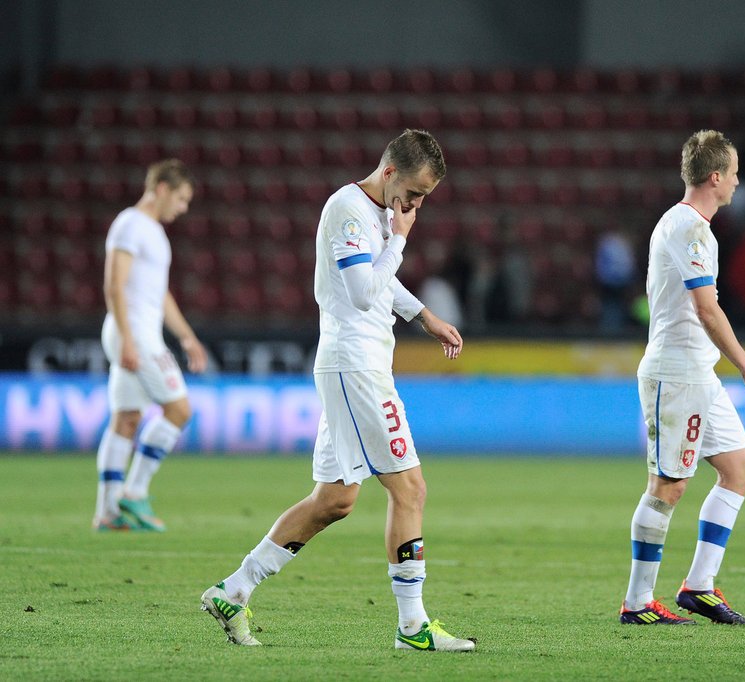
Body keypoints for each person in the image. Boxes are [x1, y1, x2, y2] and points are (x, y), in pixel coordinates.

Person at [200, 129, 475, 652]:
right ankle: (413, 627)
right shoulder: (350, 210)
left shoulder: (376, 214)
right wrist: (400, 239)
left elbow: (378, 281)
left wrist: (424, 316)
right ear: (390, 171)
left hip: (356, 366)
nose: (415, 205)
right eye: (413, 193)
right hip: (357, 367)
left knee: (335, 499)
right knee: (410, 489)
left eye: (423, 199)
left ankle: (233, 590)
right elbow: (361, 290)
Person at [620, 130, 745, 626]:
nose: (737, 182)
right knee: (668, 484)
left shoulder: (692, 227)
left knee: (740, 469)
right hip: (676, 373)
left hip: (696, 373)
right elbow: (707, 310)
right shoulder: (688, 229)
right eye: (733, 172)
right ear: (715, 177)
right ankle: (637, 602)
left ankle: (698, 587)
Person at [93, 159, 207, 532]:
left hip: (140, 331)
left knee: (127, 419)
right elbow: (114, 284)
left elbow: (159, 296)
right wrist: (128, 338)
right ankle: (135, 492)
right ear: (161, 188)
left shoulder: (154, 232)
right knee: (179, 409)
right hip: (134, 333)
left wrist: (187, 336)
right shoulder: (130, 224)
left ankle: (108, 512)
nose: (183, 207)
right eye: (181, 198)